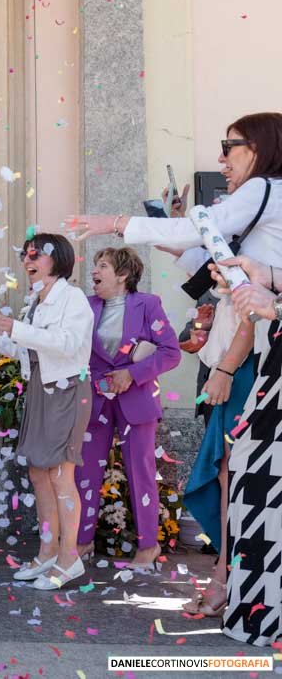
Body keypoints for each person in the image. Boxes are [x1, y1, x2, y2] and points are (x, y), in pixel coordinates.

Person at [72, 113, 282, 622]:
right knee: (236, 478)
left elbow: (241, 291)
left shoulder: (261, 190)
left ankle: (229, 585)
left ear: (258, 146)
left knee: (236, 477)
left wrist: (118, 223)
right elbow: (201, 260)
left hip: (252, 360)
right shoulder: (259, 204)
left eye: (229, 146)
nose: (221, 158)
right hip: (241, 356)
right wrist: (169, 226)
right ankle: (229, 582)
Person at [0, 233, 93, 590]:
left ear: (57, 259)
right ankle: (48, 550)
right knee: (38, 474)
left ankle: (69, 558)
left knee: (61, 476)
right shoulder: (35, 300)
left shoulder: (72, 298)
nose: (27, 260)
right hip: (38, 391)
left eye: (35, 254)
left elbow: (68, 344)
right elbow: (21, 349)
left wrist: (19, 328)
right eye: (24, 253)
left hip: (66, 391)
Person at [75, 247, 180, 570]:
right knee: (84, 474)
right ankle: (81, 542)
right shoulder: (86, 306)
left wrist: (131, 375)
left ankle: (148, 547)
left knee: (141, 473)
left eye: (102, 266)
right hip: (94, 402)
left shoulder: (147, 305)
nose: (95, 272)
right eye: (95, 266)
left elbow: (171, 352)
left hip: (137, 402)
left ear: (122, 275)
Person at [205, 254, 282, 647]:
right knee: (251, 498)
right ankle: (257, 613)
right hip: (267, 405)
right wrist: (225, 369)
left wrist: (275, 303)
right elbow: (252, 323)